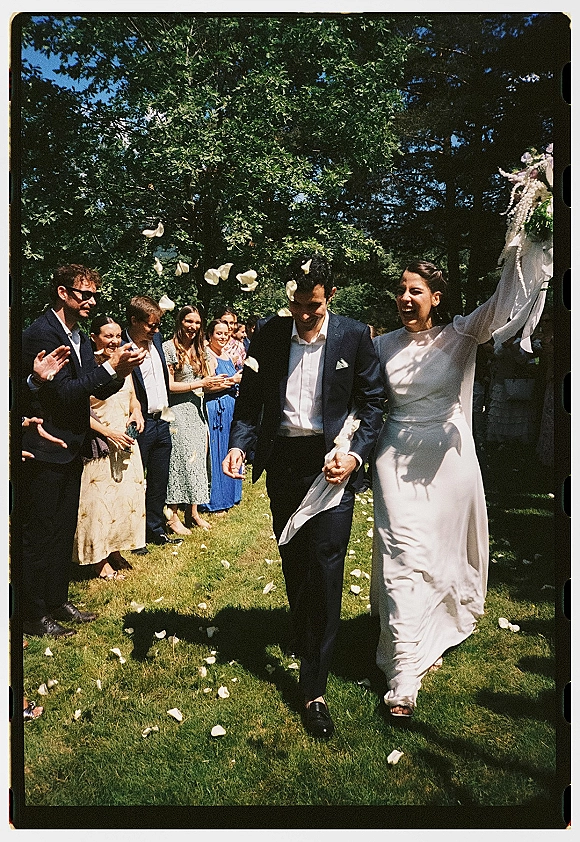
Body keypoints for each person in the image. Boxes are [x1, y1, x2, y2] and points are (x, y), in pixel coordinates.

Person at [370, 253, 548, 719]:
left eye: (415, 290)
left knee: (438, 556)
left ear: (436, 298)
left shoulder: (461, 334)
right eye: (401, 289)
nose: (404, 297)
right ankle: (403, 673)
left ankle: (435, 624)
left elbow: (507, 300)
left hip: (448, 465)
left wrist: (527, 245)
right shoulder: (382, 345)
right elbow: (362, 402)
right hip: (394, 458)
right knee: (401, 554)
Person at [223, 254, 385, 740]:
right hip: (285, 461)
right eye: (297, 304)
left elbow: (372, 402)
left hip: (332, 461)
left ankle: (314, 687)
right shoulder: (270, 334)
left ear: (330, 296)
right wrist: (239, 444)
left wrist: (353, 455)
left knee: (326, 562)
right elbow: (251, 402)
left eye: (313, 306)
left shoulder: (354, 336)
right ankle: (304, 630)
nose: (305, 315)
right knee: (294, 557)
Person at [20, 264, 144, 637]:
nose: (91, 301)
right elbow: (63, 394)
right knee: (39, 533)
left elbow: (92, 390)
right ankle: (32, 613)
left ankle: (57, 599)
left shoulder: (76, 335)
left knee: (62, 529)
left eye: (94, 295)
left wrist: (120, 372)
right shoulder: (41, 334)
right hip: (45, 447)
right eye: (84, 294)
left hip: (72, 447)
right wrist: (110, 369)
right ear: (62, 292)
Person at [73, 315, 146, 578]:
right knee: (99, 503)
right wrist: (108, 432)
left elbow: (133, 398)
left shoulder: (125, 363)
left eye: (117, 336)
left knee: (123, 500)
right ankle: (98, 560)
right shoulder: (88, 366)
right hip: (100, 443)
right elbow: (77, 409)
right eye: (108, 336)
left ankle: (115, 550)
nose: (114, 341)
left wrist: (136, 413)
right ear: (94, 337)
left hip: (125, 441)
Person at [123, 296, 182, 549]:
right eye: (151, 325)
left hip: (162, 421)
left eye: (158, 325)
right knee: (135, 481)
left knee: (159, 481)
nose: (156, 330)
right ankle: (133, 536)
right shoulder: (122, 348)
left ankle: (155, 530)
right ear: (134, 320)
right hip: (140, 423)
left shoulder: (156, 341)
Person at [162, 306, 228, 533]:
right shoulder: (169, 348)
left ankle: (193, 513)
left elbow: (208, 382)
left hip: (198, 411)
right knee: (180, 462)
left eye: (197, 323)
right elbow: (169, 385)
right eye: (189, 321)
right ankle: (172, 515)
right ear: (180, 322)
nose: (193, 326)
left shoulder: (201, 349)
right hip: (177, 411)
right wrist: (200, 384)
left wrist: (224, 381)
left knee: (198, 461)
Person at [201, 320, 244, 514]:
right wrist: (233, 380)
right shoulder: (208, 356)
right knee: (217, 452)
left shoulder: (227, 354)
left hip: (230, 408)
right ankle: (215, 501)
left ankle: (231, 495)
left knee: (230, 448)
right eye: (219, 333)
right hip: (216, 408)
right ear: (210, 335)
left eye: (226, 333)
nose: (223, 337)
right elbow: (207, 387)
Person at [214, 306, 246, 370]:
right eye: (225, 322)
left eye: (231, 323)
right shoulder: (210, 346)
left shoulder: (238, 346)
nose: (229, 326)